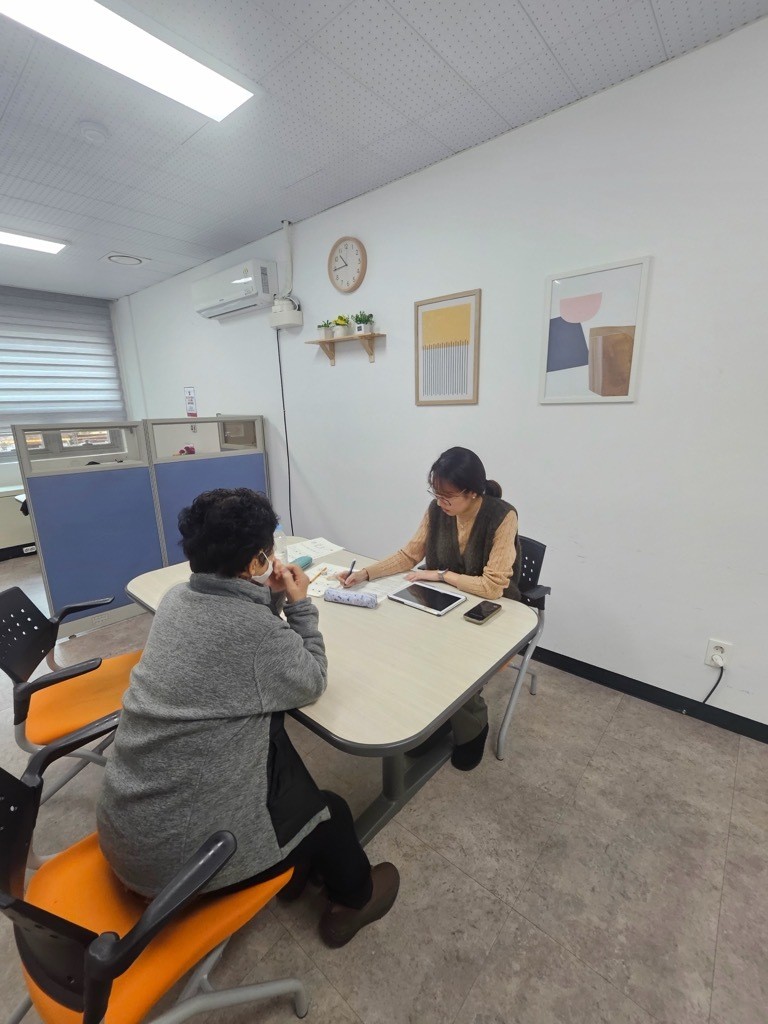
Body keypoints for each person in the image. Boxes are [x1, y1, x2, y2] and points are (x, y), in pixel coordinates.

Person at [97, 487, 399, 949]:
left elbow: (246, 642)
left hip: (127, 827)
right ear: (257, 561)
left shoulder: (176, 599)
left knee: (279, 750)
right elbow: (311, 679)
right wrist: (299, 605)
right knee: (331, 812)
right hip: (173, 871)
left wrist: (270, 598)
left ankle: (294, 866)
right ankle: (354, 901)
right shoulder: (257, 636)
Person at [339, 447, 521, 771]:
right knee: (420, 657)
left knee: (459, 669)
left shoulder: (502, 516)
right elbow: (409, 555)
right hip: (444, 601)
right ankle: (437, 720)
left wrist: (440, 575)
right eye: (436, 494)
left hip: (490, 607)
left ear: (472, 492)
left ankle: (473, 728)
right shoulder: (437, 510)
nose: (440, 503)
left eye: (447, 497)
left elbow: (493, 586)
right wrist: (365, 574)